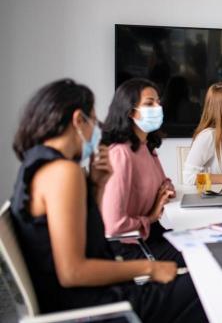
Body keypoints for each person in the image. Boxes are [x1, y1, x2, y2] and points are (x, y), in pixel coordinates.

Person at [9, 79, 206, 321]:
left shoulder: (36, 167)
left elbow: (86, 235)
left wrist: (97, 186)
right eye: (93, 120)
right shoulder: (63, 172)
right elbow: (72, 271)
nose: (97, 129)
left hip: (83, 296)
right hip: (96, 302)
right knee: (209, 286)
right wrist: (150, 268)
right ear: (78, 120)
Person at [101, 78, 183, 265]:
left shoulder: (146, 146)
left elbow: (164, 182)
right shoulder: (120, 154)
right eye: (149, 103)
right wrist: (151, 216)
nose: (158, 107)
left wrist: (165, 191)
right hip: (132, 247)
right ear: (130, 112)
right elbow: (113, 225)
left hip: (152, 235)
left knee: (207, 244)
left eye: (158, 102)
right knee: (204, 256)